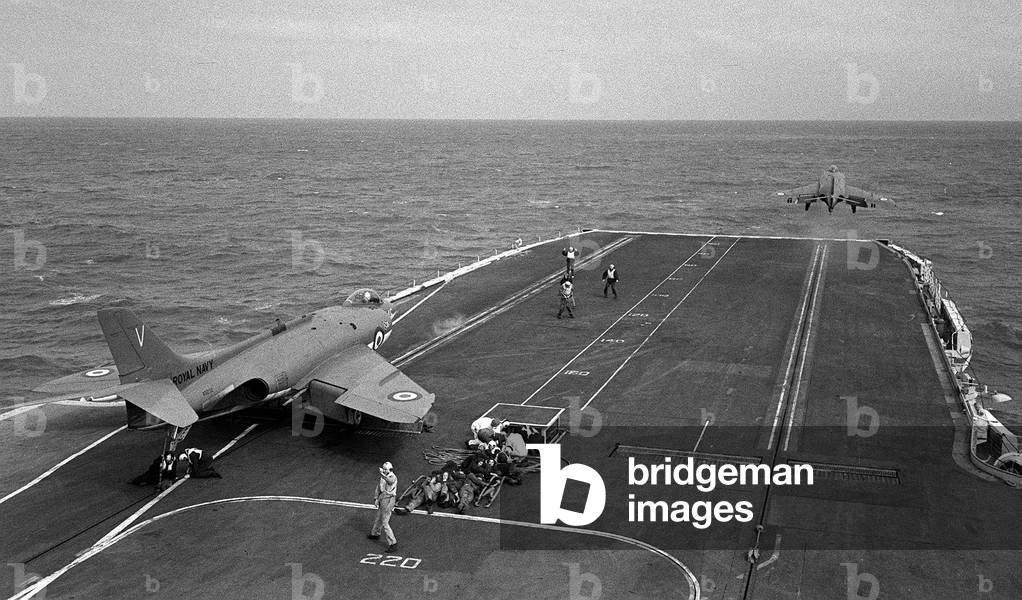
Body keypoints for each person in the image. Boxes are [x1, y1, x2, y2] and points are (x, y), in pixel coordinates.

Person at [368, 461, 398, 552]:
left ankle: (393, 543)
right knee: (378, 517)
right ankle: (375, 533)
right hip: (383, 498)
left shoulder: (392, 477)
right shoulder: (383, 477)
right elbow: (379, 488)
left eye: (385, 469)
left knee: (385, 522)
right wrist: (376, 498)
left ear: (390, 469)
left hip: (388, 500)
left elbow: (389, 481)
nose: (384, 470)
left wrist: (382, 474)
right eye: (383, 469)